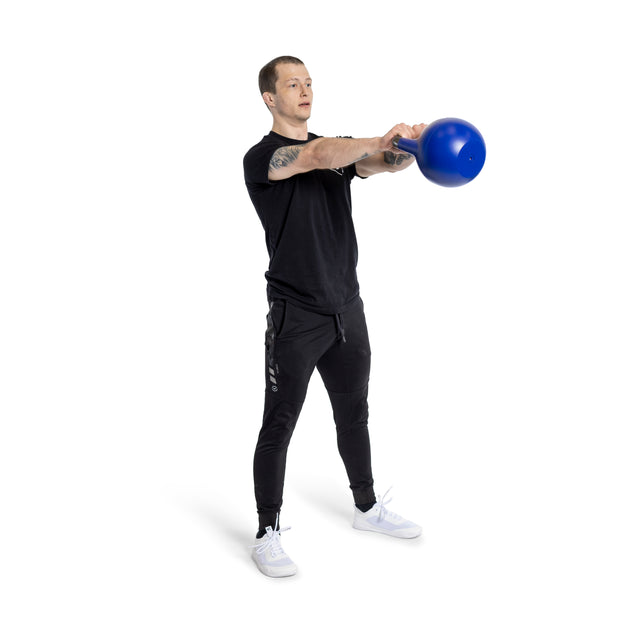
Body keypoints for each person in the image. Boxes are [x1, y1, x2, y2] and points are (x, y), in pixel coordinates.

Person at [243, 55, 424, 578]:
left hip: (347, 307)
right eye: (291, 84)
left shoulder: (337, 149)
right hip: (295, 316)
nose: (303, 90)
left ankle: (366, 508)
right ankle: (267, 531)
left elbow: (372, 164)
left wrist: (411, 146)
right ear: (269, 99)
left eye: (308, 82)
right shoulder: (264, 158)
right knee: (279, 424)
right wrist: (375, 138)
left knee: (355, 412)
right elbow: (319, 154)